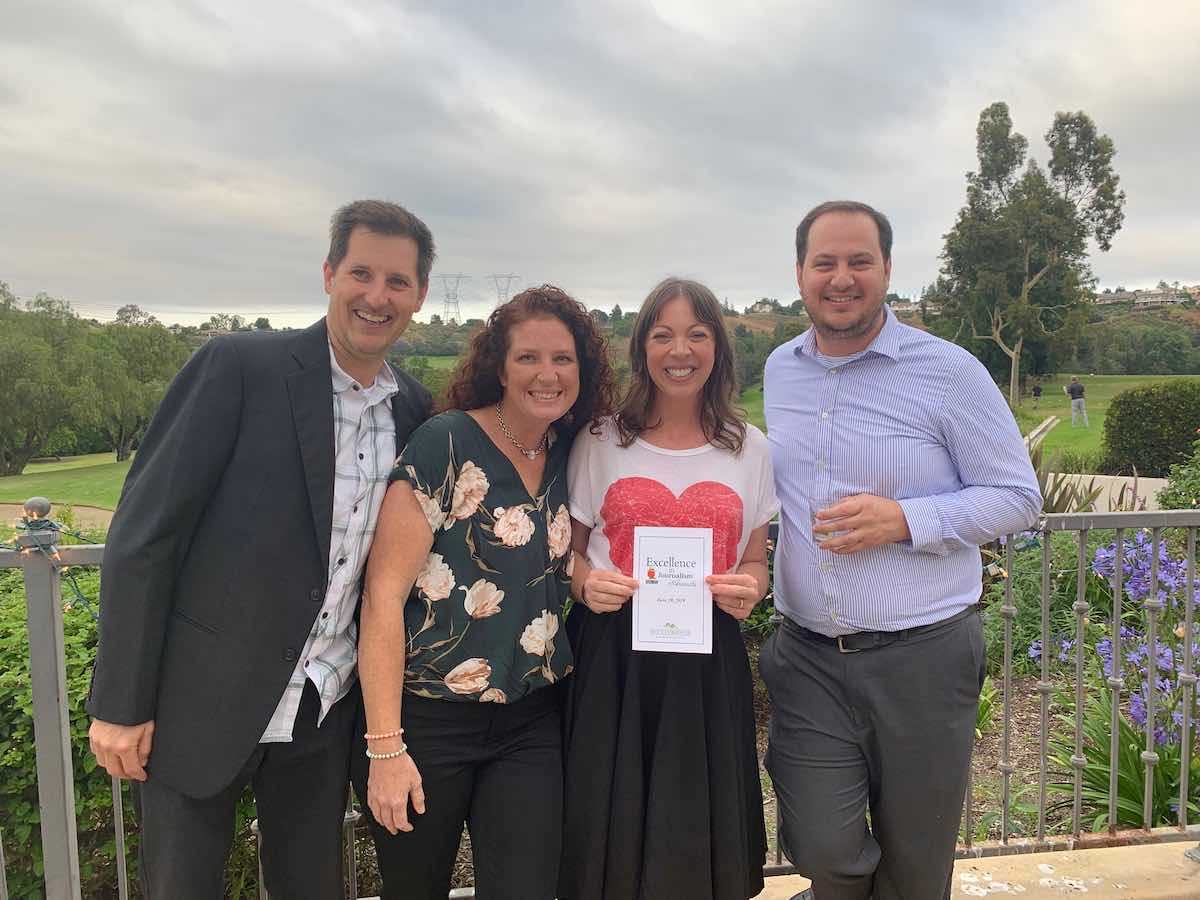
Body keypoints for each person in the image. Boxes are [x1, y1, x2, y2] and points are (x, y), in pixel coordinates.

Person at [85, 200, 435, 898]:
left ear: (419, 295)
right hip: (199, 705)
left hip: (323, 712)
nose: (377, 296)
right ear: (330, 273)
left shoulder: (414, 411)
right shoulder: (237, 366)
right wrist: (119, 701)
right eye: (361, 273)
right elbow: (144, 534)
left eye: (397, 281)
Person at [761, 200, 1041, 900]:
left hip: (924, 655)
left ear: (887, 269)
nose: (842, 277)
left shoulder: (949, 371)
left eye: (860, 261)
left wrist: (906, 519)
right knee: (821, 844)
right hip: (809, 658)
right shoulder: (779, 370)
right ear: (800, 272)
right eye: (825, 262)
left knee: (917, 866)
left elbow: (1018, 498)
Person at [355, 285, 615, 900]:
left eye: (563, 359)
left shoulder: (568, 451)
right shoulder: (445, 443)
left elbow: (560, 563)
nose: (547, 374)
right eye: (528, 358)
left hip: (531, 720)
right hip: (428, 722)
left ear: (583, 369)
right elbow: (383, 596)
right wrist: (385, 750)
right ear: (499, 365)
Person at [559, 277, 778, 900]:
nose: (679, 350)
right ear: (642, 349)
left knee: (694, 815)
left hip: (707, 657)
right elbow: (569, 552)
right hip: (614, 656)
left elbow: (757, 560)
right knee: (611, 813)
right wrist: (584, 585)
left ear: (718, 348)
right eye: (663, 335)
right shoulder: (600, 440)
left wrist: (751, 589)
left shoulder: (751, 449)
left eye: (696, 334)